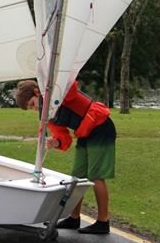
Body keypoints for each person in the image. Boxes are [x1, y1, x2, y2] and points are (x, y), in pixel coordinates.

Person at [15, 79, 116, 235]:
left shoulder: (61, 92)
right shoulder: (47, 116)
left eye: (33, 104)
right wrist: (55, 142)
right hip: (86, 132)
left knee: (96, 176)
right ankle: (74, 218)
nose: (35, 109)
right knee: (77, 177)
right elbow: (64, 138)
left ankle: (103, 222)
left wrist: (51, 86)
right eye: (30, 108)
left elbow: (70, 83)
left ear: (37, 92)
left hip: (101, 126)